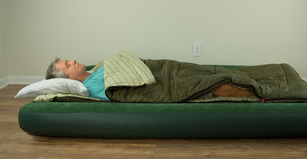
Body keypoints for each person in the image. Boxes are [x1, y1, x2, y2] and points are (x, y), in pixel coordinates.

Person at [46, 58, 255, 101]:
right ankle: (260, 92)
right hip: (160, 84)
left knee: (205, 70)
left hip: (161, 70)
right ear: (68, 78)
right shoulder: (91, 88)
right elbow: (121, 93)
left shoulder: (95, 69)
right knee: (218, 84)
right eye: (67, 64)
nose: (73, 60)